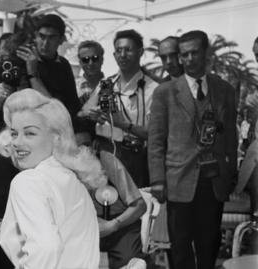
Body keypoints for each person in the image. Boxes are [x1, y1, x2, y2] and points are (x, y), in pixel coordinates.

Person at [148, 30, 237, 269]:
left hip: (213, 180)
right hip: (179, 181)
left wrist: (230, 172)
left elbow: (231, 134)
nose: (188, 59)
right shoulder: (165, 93)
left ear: (206, 53)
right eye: (184, 54)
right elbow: (156, 141)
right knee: (180, 247)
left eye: (194, 53)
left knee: (209, 244)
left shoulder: (225, 90)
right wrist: (158, 180)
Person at [0, 88, 106, 269]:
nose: (16, 142)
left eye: (30, 133)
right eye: (14, 133)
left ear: (56, 137)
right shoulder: (72, 178)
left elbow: (45, 248)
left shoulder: (28, 181)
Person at [80, 29, 159, 188]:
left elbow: (154, 134)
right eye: (118, 50)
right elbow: (82, 113)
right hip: (104, 154)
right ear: (114, 55)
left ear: (140, 52)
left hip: (135, 159)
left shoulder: (153, 88)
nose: (122, 55)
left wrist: (121, 123)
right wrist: (93, 115)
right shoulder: (107, 84)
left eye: (128, 50)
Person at [16, 14, 81, 121]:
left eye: (52, 38)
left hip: (58, 123)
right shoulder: (22, 60)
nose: (45, 44)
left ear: (61, 40)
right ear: (36, 36)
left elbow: (73, 103)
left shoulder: (63, 64)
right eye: (42, 36)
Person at [75, 40, 105, 105]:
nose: (90, 63)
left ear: (102, 60)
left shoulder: (115, 86)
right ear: (80, 63)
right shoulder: (72, 88)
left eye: (95, 58)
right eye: (85, 60)